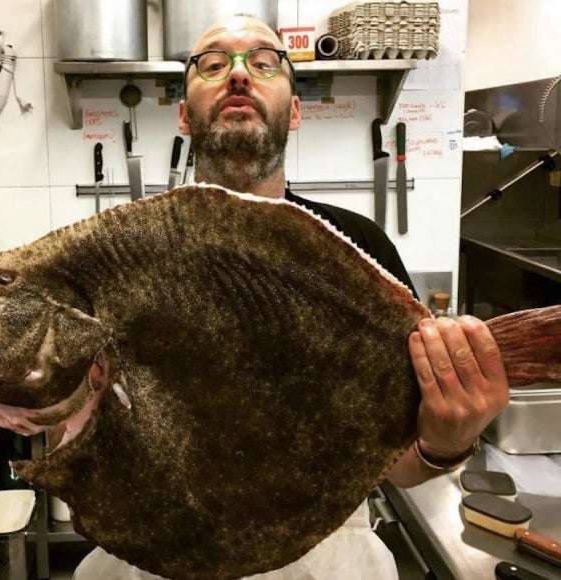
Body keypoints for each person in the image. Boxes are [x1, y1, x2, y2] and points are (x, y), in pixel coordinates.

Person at [73, 13, 510, 580]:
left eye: (263, 62)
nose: (237, 75)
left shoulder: (359, 249)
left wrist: (444, 443)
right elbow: (81, 438)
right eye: (212, 63)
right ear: (183, 115)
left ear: (295, 110)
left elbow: (397, 463)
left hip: (323, 555)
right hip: (151, 555)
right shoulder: (119, 256)